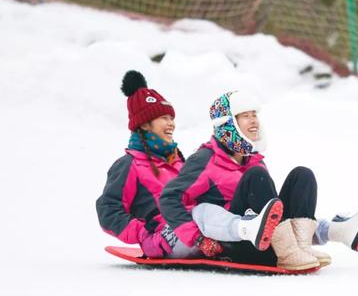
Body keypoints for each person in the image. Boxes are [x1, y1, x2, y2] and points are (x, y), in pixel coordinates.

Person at [159, 90, 358, 270]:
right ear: (227, 123)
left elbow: (270, 208)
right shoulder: (205, 160)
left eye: (254, 114)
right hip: (236, 244)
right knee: (257, 178)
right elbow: (170, 199)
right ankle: (289, 252)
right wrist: (198, 239)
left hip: (265, 237)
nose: (253, 120)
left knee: (302, 175)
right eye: (245, 115)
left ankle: (300, 248)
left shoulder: (253, 159)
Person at [96, 71, 279, 259]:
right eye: (164, 119)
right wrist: (143, 232)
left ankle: (272, 235)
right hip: (165, 237)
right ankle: (246, 229)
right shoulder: (129, 164)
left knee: (208, 208)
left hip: (195, 229)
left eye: (172, 118)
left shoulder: (178, 161)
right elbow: (108, 211)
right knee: (203, 211)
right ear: (144, 125)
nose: (171, 124)